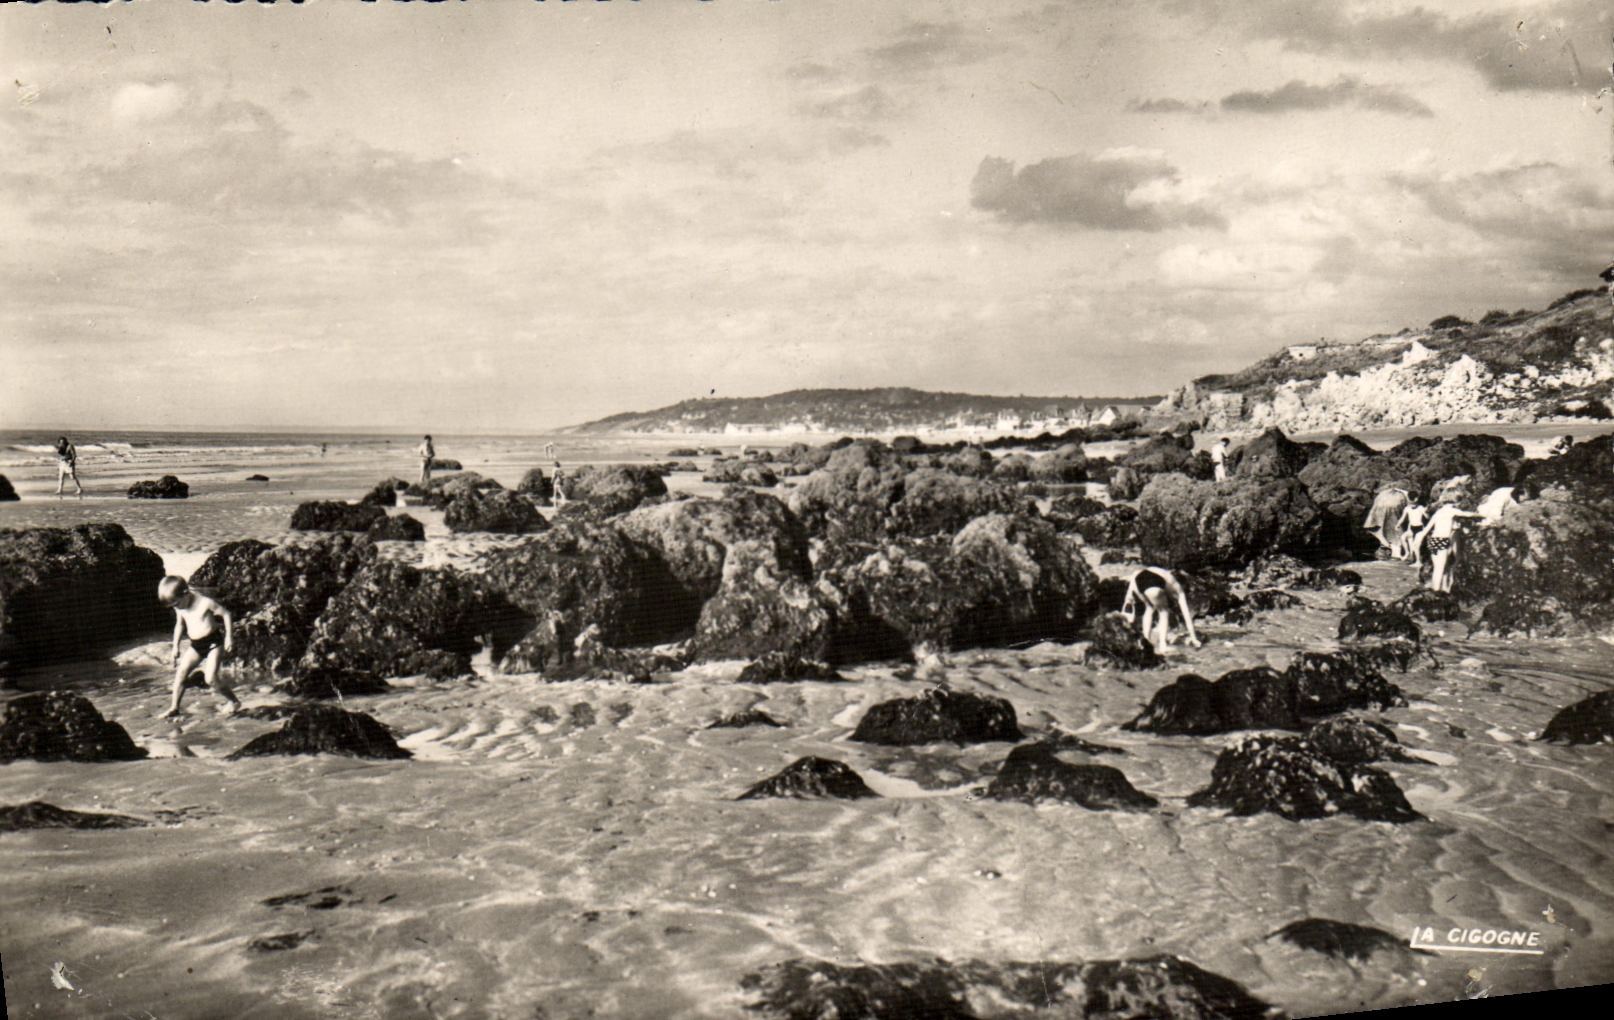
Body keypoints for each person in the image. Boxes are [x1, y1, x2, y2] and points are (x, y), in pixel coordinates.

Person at [157, 576, 239, 718]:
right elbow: (180, 624)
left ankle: (234, 701)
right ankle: (174, 708)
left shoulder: (205, 603)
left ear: (186, 593)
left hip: (213, 642)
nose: (176, 607)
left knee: (210, 678)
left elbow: (226, 614)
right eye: (173, 606)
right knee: (181, 672)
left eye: (177, 604)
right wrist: (175, 646)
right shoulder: (180, 605)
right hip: (196, 644)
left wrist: (229, 637)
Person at [1410, 497, 1487, 593]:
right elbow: (1467, 514)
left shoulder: (1439, 512)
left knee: (1439, 567)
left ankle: (1440, 590)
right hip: (1443, 540)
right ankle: (1436, 592)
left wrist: (1418, 540)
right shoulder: (1452, 511)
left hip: (1434, 540)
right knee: (1441, 568)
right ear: (1454, 502)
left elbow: (1426, 529)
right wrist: (1482, 515)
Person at [1121, 566, 1203, 655]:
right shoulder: (1177, 587)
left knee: (1149, 608)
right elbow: (1186, 614)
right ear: (1182, 584)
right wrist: (1194, 638)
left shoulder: (1166, 575)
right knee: (1164, 611)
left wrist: (1128, 600)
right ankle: (1163, 646)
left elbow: (1134, 580)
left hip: (1138, 580)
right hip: (1153, 580)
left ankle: (1145, 642)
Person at [1363, 486, 1410, 553]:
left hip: (1383, 509)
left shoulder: (1381, 496)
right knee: (1394, 530)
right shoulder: (1403, 495)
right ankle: (1395, 549)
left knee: (1385, 528)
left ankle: (1388, 547)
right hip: (1395, 512)